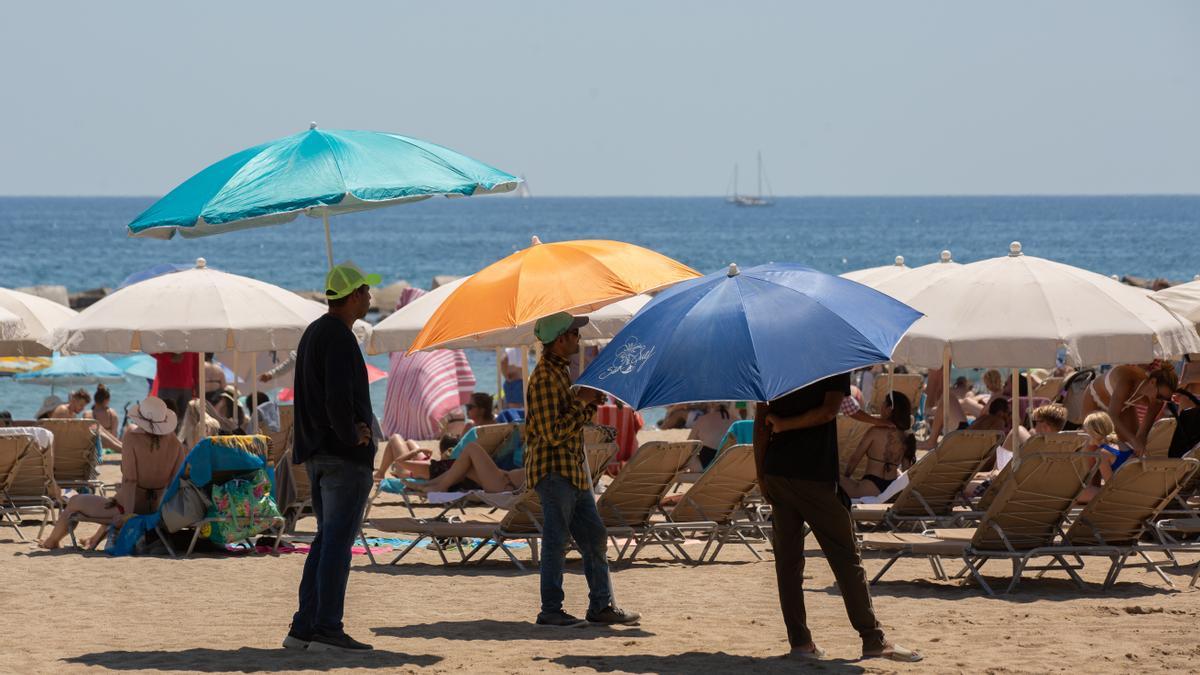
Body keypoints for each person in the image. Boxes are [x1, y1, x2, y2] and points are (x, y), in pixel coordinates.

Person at [755, 373, 921, 662]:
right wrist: (786, 425)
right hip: (813, 474)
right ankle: (872, 640)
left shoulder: (770, 359)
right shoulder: (830, 357)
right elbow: (829, 410)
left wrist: (761, 476)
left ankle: (801, 643)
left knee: (788, 562)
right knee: (846, 557)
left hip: (776, 470)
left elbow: (761, 422)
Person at [286, 262, 381, 653]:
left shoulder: (313, 333)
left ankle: (303, 628)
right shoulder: (339, 337)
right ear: (354, 295)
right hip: (342, 456)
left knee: (326, 542)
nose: (372, 298)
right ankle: (326, 628)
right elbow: (337, 397)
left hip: (318, 453)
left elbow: (319, 396)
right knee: (337, 544)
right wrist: (352, 434)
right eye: (367, 292)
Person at [525, 312, 638, 628]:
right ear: (560, 339)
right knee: (556, 541)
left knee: (594, 537)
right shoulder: (546, 377)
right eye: (574, 334)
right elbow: (553, 432)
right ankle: (551, 609)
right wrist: (583, 402)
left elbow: (567, 423)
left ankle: (600, 606)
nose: (579, 338)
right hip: (554, 472)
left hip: (570, 471)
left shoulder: (558, 374)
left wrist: (584, 400)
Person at [40, 396, 185, 550]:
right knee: (111, 501)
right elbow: (175, 482)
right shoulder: (176, 444)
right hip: (155, 509)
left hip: (127, 508)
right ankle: (93, 540)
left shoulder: (132, 438)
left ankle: (51, 542)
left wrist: (127, 517)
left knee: (75, 501)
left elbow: (130, 480)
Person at [1082, 362, 1178, 455]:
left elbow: (1142, 434)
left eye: (1167, 399)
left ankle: (1113, 468)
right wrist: (1133, 440)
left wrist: (1138, 446)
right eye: (1160, 396)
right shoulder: (1128, 380)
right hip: (1095, 398)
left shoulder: (1157, 402)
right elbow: (1112, 416)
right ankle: (1087, 470)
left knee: (1129, 448)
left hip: (1123, 405)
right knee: (1095, 441)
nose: (1161, 401)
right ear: (1152, 382)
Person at [840, 393, 917, 498]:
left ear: (889, 409)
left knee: (834, 481)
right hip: (892, 488)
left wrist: (846, 478)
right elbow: (906, 470)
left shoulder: (874, 431)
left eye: (883, 403)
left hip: (870, 487)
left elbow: (854, 459)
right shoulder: (907, 436)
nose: (880, 406)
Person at [1077, 411, 1133, 504]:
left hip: (1120, 495)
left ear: (1093, 432)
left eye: (1085, 430)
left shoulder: (1102, 454)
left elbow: (1109, 487)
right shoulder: (1122, 444)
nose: (1083, 433)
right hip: (1132, 489)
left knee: (1077, 494)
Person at [153, 352, 199, 424]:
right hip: (168, 386)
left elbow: (196, 361)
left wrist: (197, 384)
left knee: (185, 423)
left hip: (186, 388)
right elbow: (152, 350)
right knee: (166, 421)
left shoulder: (193, 342)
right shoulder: (163, 340)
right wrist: (169, 357)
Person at [688, 403, 734, 469]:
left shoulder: (703, 419)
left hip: (705, 462)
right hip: (728, 463)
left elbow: (690, 445)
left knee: (690, 457)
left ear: (711, 405)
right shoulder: (736, 420)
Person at [85, 383, 122, 452]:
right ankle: (122, 448)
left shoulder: (88, 414)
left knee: (98, 427)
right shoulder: (112, 413)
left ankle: (122, 448)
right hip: (110, 447)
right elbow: (114, 435)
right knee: (97, 428)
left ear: (95, 399)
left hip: (95, 447)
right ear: (106, 400)